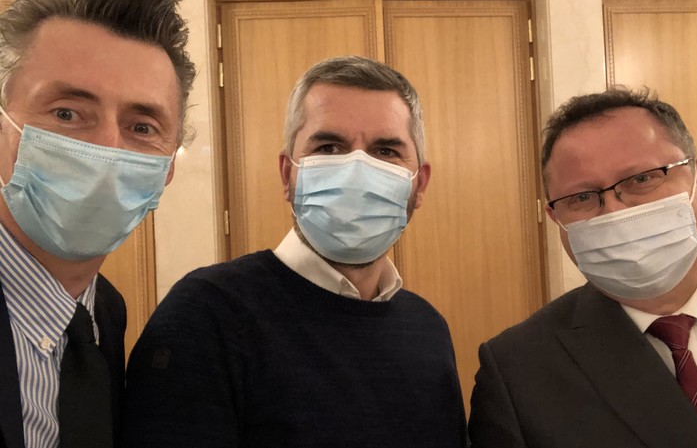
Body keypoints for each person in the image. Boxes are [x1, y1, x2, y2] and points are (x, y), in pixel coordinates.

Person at [121, 55, 468, 448]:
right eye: (329, 147)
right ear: (288, 174)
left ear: (419, 185)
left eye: (385, 151)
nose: (356, 169)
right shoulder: (206, 315)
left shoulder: (428, 329)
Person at [468, 87, 697, 448]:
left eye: (642, 179)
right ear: (555, 217)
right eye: (582, 197)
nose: (614, 212)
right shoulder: (518, 371)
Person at [0, 0, 196, 447]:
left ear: (167, 168)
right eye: (67, 113)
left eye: (142, 127)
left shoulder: (104, 312)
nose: (107, 148)